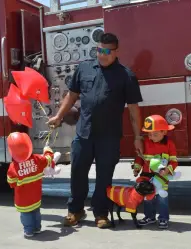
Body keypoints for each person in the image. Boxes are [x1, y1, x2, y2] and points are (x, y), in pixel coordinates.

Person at [47, 33, 144, 229]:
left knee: (104, 176)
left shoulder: (126, 75)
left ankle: (101, 213)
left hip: (108, 136)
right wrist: (58, 116)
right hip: (84, 133)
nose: (101, 55)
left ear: (116, 52)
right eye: (99, 50)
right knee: (77, 173)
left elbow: (133, 109)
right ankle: (75, 210)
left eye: (106, 51)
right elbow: (71, 96)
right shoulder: (84, 68)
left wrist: (138, 137)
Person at [6, 132, 61, 238]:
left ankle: (28, 230)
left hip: (23, 200)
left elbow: (11, 183)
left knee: (26, 214)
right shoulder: (37, 159)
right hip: (35, 197)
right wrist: (47, 149)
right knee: (36, 212)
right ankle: (37, 228)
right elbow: (48, 159)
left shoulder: (13, 167)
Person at [132, 114, 178, 229]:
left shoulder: (170, 144)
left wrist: (167, 170)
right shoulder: (146, 143)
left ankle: (163, 218)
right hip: (146, 177)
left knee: (162, 198)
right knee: (148, 197)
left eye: (155, 134)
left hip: (161, 178)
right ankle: (149, 217)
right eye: (149, 134)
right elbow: (140, 157)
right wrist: (137, 167)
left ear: (164, 132)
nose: (151, 137)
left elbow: (174, 162)